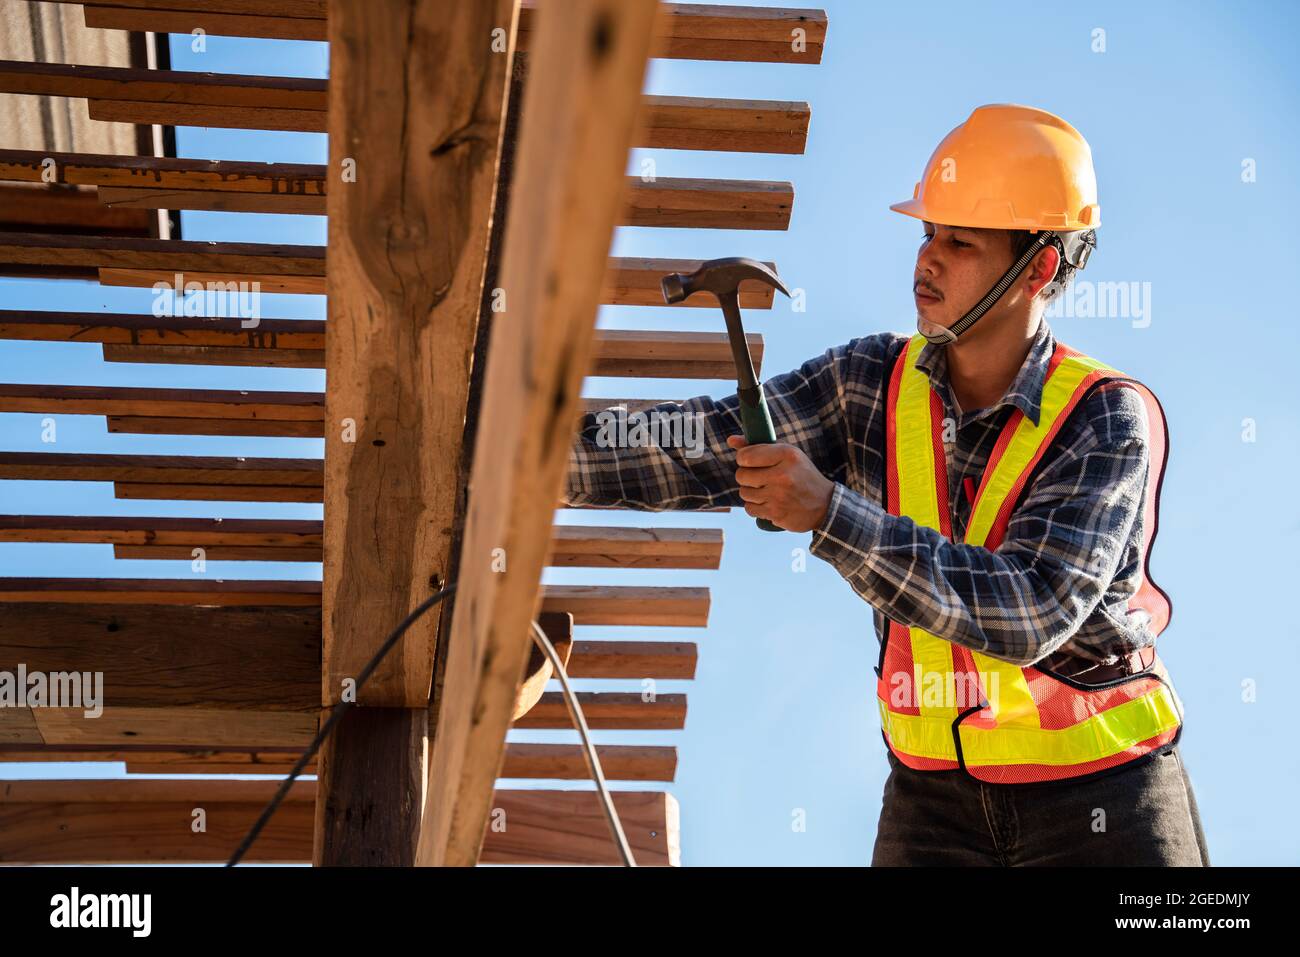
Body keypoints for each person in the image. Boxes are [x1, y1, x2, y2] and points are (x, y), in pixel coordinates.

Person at [563, 104, 1210, 866]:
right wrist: (527, 451)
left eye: (960, 241)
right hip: (931, 801)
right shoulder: (870, 380)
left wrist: (828, 515)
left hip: (1108, 799)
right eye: (928, 232)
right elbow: (703, 445)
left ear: (1039, 266)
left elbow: (1030, 609)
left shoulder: (1104, 419)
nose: (927, 259)